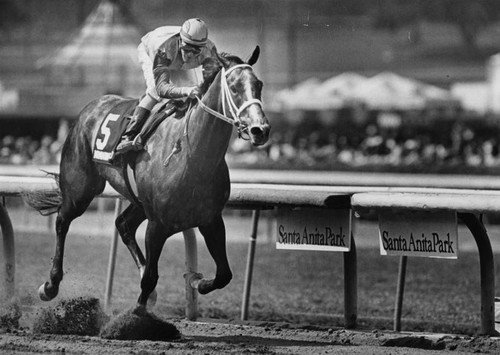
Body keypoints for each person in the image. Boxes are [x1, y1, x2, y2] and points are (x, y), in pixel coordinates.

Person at [115, 18, 219, 154]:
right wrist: (185, 90)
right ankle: (129, 135)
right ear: (181, 41)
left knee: (193, 90)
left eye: (195, 52)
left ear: (203, 48)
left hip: (175, 61)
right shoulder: (165, 47)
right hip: (151, 52)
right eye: (187, 49)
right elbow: (161, 88)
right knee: (154, 91)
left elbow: (209, 85)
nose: (189, 55)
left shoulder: (209, 51)